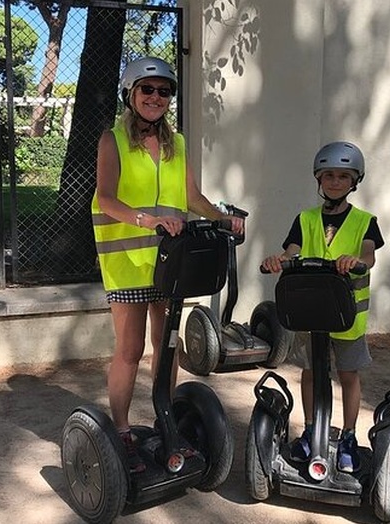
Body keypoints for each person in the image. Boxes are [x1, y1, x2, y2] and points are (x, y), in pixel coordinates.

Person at [91, 56, 245, 473]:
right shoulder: (113, 140)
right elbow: (106, 198)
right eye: (148, 89)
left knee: (168, 346)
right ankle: (122, 431)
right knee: (130, 349)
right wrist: (149, 220)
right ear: (131, 94)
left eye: (164, 91)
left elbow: (192, 197)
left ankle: (165, 420)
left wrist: (221, 217)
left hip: (167, 260)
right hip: (126, 261)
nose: (156, 97)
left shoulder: (177, 144)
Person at [261, 141, 383, 473]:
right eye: (328, 175)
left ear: (354, 181)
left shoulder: (364, 222)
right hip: (311, 314)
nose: (334, 182)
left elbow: (369, 255)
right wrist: (279, 259)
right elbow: (291, 251)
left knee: (348, 374)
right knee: (311, 372)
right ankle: (312, 428)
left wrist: (356, 259)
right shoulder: (305, 219)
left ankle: (347, 435)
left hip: (347, 319)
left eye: (343, 176)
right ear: (318, 178)